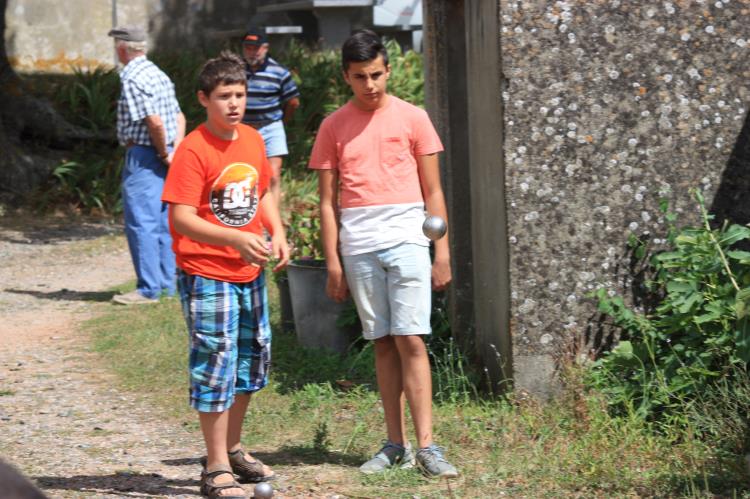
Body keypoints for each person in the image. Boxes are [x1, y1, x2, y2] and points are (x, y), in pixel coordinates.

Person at [308, 29, 459, 478]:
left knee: (411, 337)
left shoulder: (414, 118)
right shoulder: (333, 126)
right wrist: (333, 262)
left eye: (376, 75)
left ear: (388, 70)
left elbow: (433, 191)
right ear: (346, 77)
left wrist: (443, 253)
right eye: (360, 77)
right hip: (359, 246)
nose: (369, 85)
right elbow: (326, 202)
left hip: (410, 239)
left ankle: (428, 447)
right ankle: (395, 444)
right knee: (382, 343)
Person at [162, 51, 289, 499]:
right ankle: (215, 467)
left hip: (248, 271)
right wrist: (233, 240)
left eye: (239, 94)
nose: (234, 103)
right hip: (206, 271)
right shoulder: (193, 149)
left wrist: (277, 231)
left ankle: (233, 448)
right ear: (204, 99)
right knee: (215, 363)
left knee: (251, 358)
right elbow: (180, 218)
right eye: (224, 96)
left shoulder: (252, 139)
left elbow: (261, 193)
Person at [108, 25, 186, 305]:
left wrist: (163, 152)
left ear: (121, 49)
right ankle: (167, 285)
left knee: (141, 221)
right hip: (165, 153)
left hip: (144, 153)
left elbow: (153, 120)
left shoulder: (131, 76)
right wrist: (175, 151)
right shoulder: (158, 73)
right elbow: (179, 116)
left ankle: (148, 289)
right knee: (164, 220)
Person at [241, 26, 300, 205]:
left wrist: (282, 122)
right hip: (243, 127)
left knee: (273, 174)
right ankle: (249, 211)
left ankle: (272, 223)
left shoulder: (279, 72)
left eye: (256, 48)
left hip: (271, 125)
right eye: (248, 48)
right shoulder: (235, 70)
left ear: (265, 48)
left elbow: (293, 101)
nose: (252, 52)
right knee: (245, 172)